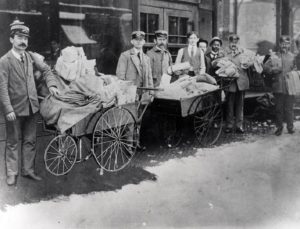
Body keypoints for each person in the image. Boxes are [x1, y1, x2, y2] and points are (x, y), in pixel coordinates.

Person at [0, 20, 59, 186]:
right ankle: (12, 174)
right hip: (14, 109)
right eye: (19, 37)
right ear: (11, 39)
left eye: (25, 38)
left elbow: (47, 70)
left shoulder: (31, 57)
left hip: (32, 107)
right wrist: (8, 108)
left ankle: (28, 170)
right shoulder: (4, 61)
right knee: (12, 142)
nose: (23, 41)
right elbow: (2, 88)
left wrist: (52, 85)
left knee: (30, 140)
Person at [116, 31, 154, 150]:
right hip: (130, 92)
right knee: (129, 119)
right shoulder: (125, 55)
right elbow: (120, 76)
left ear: (144, 42)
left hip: (143, 92)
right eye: (136, 40)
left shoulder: (146, 58)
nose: (139, 42)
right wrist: (125, 92)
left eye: (141, 40)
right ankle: (128, 145)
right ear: (132, 41)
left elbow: (149, 76)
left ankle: (136, 143)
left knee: (139, 119)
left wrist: (151, 91)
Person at [271, 35, 297, 136]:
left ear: (289, 45)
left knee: (289, 108)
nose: (284, 46)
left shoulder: (293, 56)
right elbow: (266, 68)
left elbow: (296, 69)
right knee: (279, 108)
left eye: (286, 44)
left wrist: (294, 71)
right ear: (279, 44)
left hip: (290, 86)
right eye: (282, 44)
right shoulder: (274, 56)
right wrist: (274, 69)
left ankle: (290, 127)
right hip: (278, 86)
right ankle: (279, 128)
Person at [224, 34, 250, 134]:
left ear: (238, 43)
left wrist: (248, 64)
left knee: (240, 105)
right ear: (229, 43)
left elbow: (252, 61)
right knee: (229, 104)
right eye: (232, 42)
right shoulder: (225, 53)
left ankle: (239, 125)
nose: (233, 44)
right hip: (230, 82)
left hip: (241, 81)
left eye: (235, 42)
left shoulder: (244, 52)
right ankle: (229, 125)